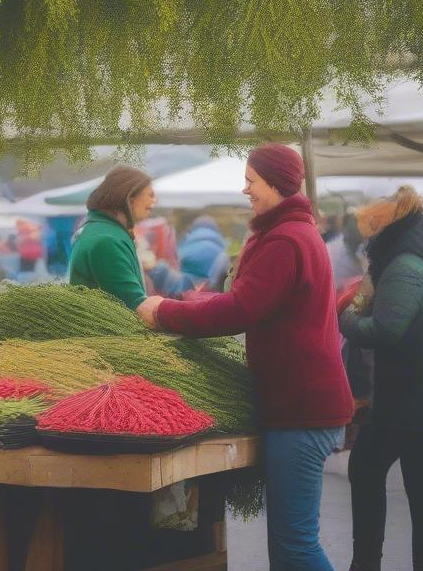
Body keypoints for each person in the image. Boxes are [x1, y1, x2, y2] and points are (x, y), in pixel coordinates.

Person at [138, 144, 352, 571]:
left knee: (296, 545)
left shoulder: (286, 239)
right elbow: (249, 301)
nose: (245, 189)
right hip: (302, 406)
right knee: (287, 546)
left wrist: (165, 311)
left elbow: (240, 310)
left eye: (252, 180)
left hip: (304, 410)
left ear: (275, 183)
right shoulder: (292, 233)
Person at [339, 187, 423, 571]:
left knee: (373, 468)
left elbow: (386, 331)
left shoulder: (405, 267)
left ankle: (367, 562)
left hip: (415, 399)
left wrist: (348, 320)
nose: (366, 242)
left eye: (370, 232)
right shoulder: (412, 262)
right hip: (417, 395)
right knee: (419, 485)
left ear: (385, 230)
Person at [68, 165, 157, 311]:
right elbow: (135, 306)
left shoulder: (101, 231)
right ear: (130, 198)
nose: (154, 201)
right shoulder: (107, 241)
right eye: (150, 195)